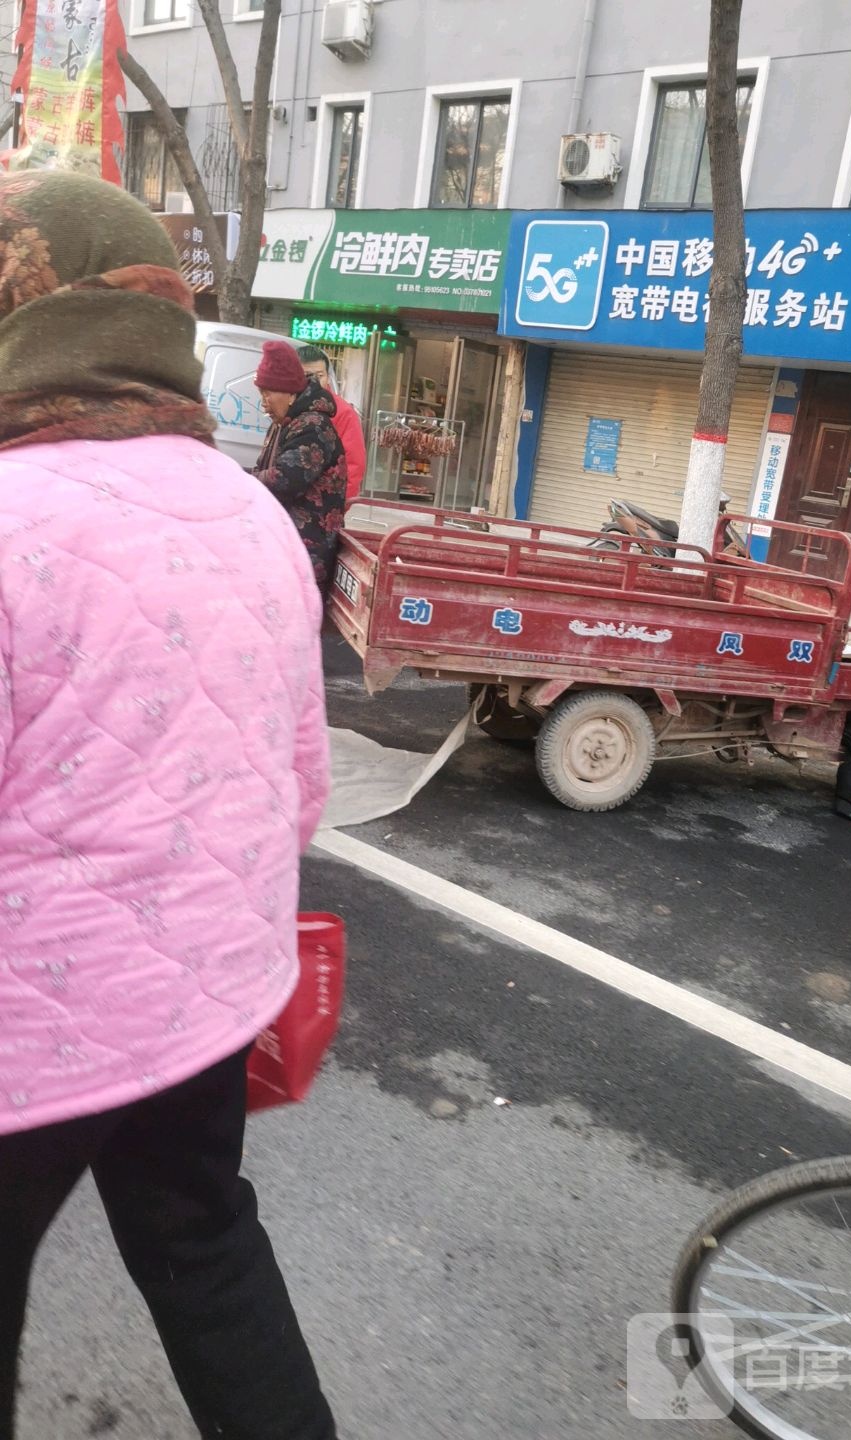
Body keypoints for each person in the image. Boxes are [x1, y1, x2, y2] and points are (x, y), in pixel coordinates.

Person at [0, 172, 337, 1440]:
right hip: (204, 1003)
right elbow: (301, 787)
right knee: (208, 1258)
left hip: (26, 1037)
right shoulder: (248, 512)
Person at [253, 340, 348, 591]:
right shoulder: (284, 422)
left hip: (306, 553)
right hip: (285, 545)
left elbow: (285, 480)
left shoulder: (313, 426)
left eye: (267, 393)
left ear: (291, 393)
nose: (263, 402)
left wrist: (239, 481)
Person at [297, 344, 367, 506]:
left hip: (325, 508)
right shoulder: (287, 406)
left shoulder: (342, 412)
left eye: (319, 375)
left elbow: (353, 465)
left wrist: (340, 507)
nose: (313, 382)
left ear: (328, 377)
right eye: (306, 375)